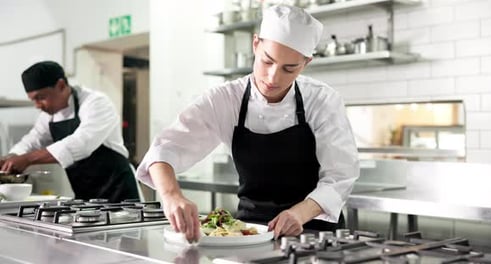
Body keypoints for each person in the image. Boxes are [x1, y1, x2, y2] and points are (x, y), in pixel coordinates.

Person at [136, 4, 359, 241]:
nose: (273, 77)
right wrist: (171, 195)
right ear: (255, 45)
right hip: (247, 232)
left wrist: (300, 213)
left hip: (314, 232)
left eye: (289, 68)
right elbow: (164, 149)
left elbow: (340, 176)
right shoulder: (224, 100)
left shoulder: (322, 100)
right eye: (267, 61)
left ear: (306, 63)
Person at [0, 61, 139, 202]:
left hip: (119, 192)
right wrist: (10, 158)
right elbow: (32, 141)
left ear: (61, 85)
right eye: (33, 100)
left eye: (40, 97)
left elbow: (81, 143)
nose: (37, 105)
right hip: (86, 196)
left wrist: (27, 159)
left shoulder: (96, 102)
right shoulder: (49, 116)